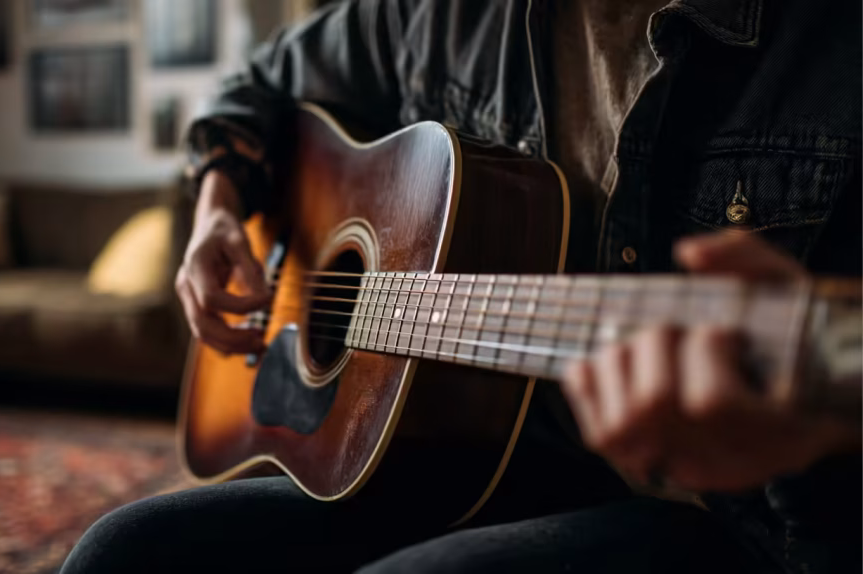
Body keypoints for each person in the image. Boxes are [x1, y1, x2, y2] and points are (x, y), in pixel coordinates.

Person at [61, 1, 861, 572]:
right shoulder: (432, 17)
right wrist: (217, 207)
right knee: (121, 551)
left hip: (735, 520)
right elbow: (254, 87)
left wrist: (827, 422)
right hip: (473, 457)